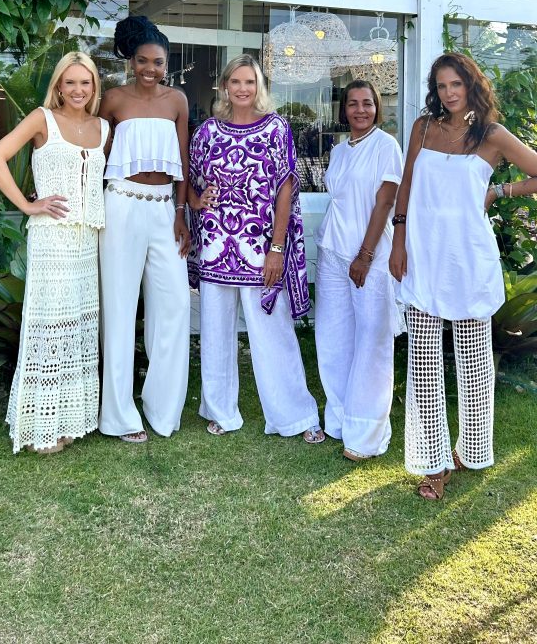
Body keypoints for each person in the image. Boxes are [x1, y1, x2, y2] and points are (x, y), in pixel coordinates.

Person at [389, 52, 537, 500]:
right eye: (441, 86)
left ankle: (470, 450)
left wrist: (501, 190)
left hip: (468, 260)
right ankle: (433, 464)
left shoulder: (492, 135)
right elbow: (406, 185)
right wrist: (399, 240)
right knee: (424, 364)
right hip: (423, 257)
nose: (449, 93)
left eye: (456, 84)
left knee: (474, 366)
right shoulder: (423, 128)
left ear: (472, 85)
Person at [188, 54, 324, 443]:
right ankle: (220, 411)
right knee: (215, 333)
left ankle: (295, 416)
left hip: (259, 248)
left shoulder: (276, 129)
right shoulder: (207, 132)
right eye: (236, 81)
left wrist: (277, 249)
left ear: (259, 86)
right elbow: (190, 180)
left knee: (273, 334)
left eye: (250, 82)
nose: (243, 89)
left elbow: (285, 190)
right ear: (224, 86)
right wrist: (197, 201)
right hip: (215, 246)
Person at [0, 52, 108, 454]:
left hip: (87, 240)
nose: (78, 90)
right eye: (70, 82)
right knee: (49, 324)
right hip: (52, 239)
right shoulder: (42, 119)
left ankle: (70, 419)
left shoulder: (103, 127)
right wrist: (27, 204)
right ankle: (42, 426)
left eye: (85, 82)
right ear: (58, 85)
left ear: (94, 86)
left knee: (78, 326)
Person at [99, 15, 191, 443]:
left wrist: (181, 212)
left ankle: (162, 407)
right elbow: (96, 155)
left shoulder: (178, 101)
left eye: (158, 62)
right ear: (131, 61)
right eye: (142, 61)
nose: (150, 69)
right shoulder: (113, 100)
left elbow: (184, 162)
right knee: (119, 309)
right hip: (121, 204)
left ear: (167, 64)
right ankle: (119, 415)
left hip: (163, 208)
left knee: (175, 306)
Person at [314, 80, 403, 461]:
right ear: (344, 109)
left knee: (372, 340)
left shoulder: (386, 146)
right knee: (333, 338)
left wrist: (365, 255)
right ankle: (339, 420)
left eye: (367, 103)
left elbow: (385, 203)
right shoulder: (338, 150)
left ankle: (366, 434)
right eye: (353, 103)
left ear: (377, 107)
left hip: (370, 256)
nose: (360, 110)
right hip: (332, 251)